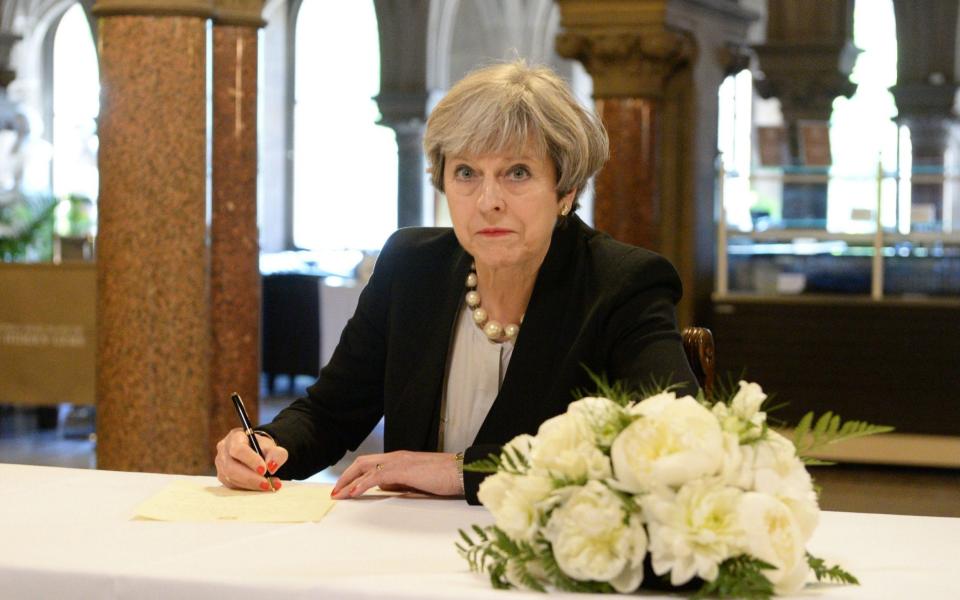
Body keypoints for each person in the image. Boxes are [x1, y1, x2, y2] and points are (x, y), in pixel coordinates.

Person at [214, 61, 697, 504]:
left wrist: (461, 471)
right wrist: (268, 445)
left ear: (566, 190)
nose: (488, 200)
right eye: (466, 172)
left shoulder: (622, 284)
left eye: (517, 173)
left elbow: (668, 442)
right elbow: (329, 413)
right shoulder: (410, 267)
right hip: (404, 556)